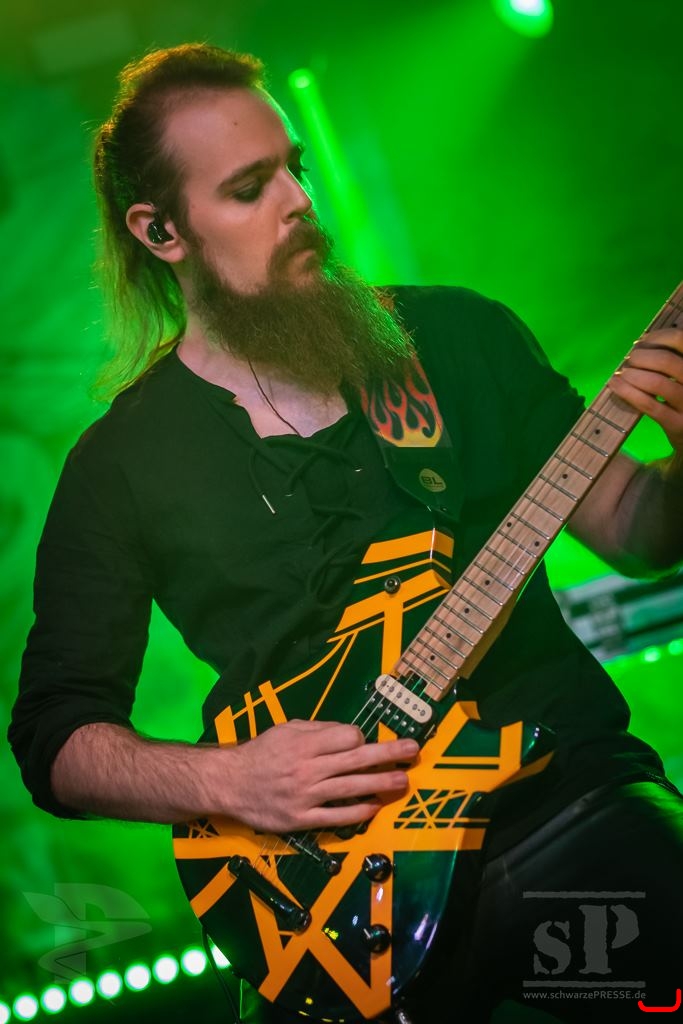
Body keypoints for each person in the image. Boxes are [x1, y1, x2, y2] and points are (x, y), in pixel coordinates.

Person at [8, 43, 683, 1024]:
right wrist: (232, 780)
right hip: (326, 900)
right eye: (249, 188)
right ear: (159, 230)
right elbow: (56, 738)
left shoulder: (453, 339)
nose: (296, 201)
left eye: (294, 168)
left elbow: (634, 528)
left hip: (560, 809)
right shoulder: (118, 466)